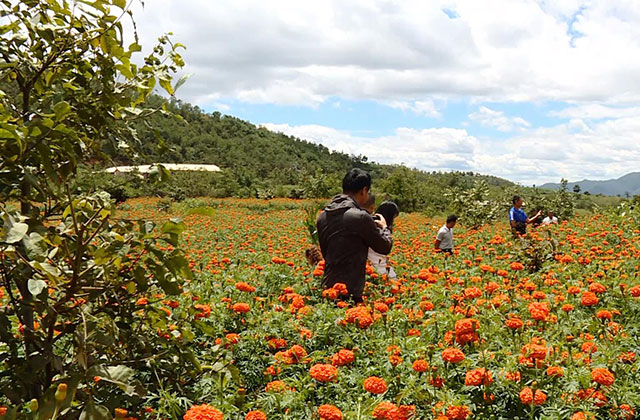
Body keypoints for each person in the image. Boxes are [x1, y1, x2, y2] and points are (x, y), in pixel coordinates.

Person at [316, 168, 393, 303]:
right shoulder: (360, 217)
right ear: (364, 190)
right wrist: (384, 227)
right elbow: (384, 247)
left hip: (328, 288)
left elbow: (326, 252)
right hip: (350, 291)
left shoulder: (323, 216)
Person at [367, 201, 399, 279]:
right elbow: (385, 248)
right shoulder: (381, 228)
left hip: (372, 265)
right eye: (393, 218)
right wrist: (385, 227)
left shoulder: (368, 222)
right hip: (375, 266)